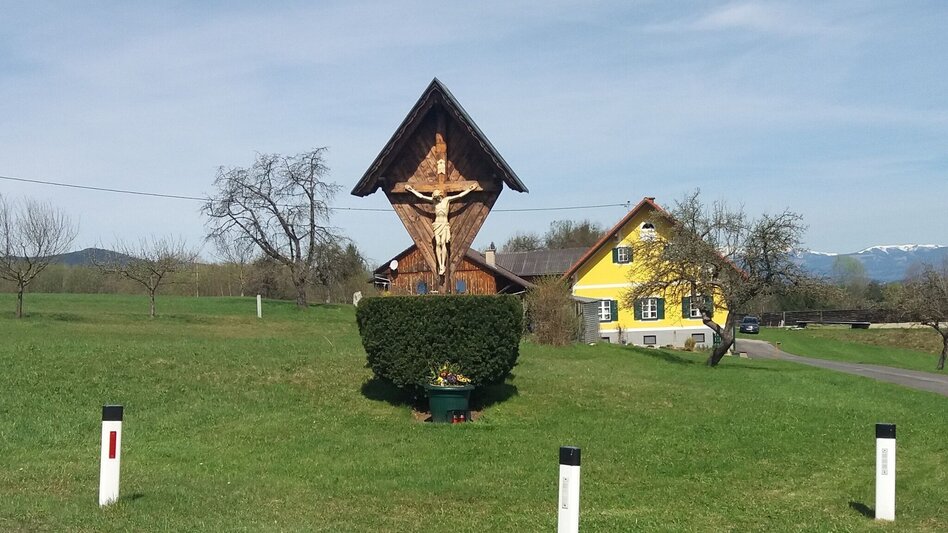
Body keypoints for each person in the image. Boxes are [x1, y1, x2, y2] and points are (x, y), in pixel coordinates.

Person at [404, 183, 478, 275]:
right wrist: (411, 190)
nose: (436, 199)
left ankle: (443, 265)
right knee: (438, 243)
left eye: (437, 197)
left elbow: (459, 196)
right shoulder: (434, 202)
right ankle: (440, 265)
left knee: (443, 243)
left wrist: (469, 189)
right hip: (437, 224)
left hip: (444, 224)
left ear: (440, 195)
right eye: (435, 197)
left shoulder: (447, 200)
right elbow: (422, 196)